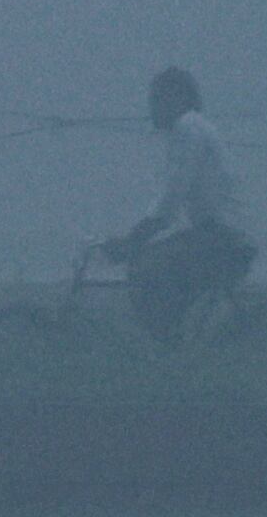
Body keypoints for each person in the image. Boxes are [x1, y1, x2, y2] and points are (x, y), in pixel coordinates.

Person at [103, 65, 249, 344]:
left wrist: (132, 239)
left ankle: (167, 345)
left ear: (178, 98)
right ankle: (173, 337)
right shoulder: (191, 130)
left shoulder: (188, 128)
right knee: (157, 263)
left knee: (145, 267)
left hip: (223, 236)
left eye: (156, 99)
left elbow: (170, 200)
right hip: (221, 233)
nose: (151, 108)